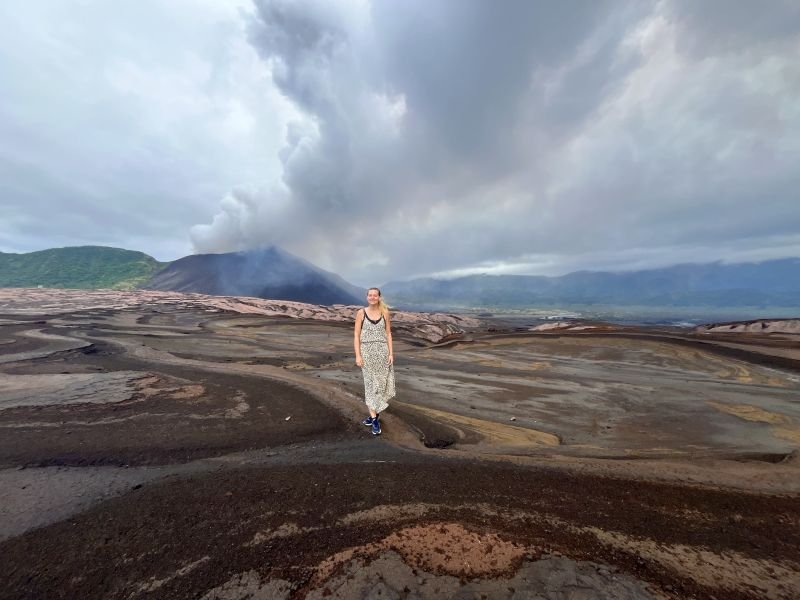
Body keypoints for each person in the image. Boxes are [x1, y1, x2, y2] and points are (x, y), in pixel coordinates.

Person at [354, 287, 396, 435]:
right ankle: (375, 421)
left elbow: (388, 334)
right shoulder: (361, 313)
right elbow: (357, 335)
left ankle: (373, 416)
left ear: (379, 297)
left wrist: (391, 353)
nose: (372, 297)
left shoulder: (385, 313)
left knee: (381, 385)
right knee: (370, 385)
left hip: (382, 353)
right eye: (370, 295)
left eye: (375, 295)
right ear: (367, 297)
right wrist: (358, 355)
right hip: (367, 354)